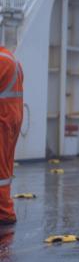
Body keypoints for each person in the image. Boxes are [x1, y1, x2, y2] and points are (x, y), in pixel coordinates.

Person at [0, 46, 22, 227]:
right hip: (12, 117)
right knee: (4, 168)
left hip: (3, 118)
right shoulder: (9, 57)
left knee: (1, 170)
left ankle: (4, 212)